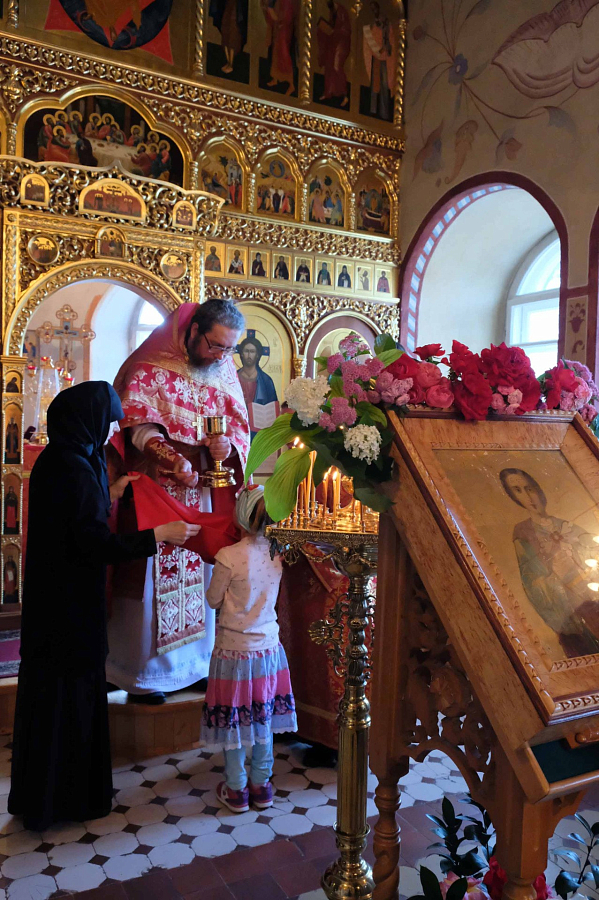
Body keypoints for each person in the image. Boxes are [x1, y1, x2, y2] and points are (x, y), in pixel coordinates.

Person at [8, 381, 198, 831]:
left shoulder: (68, 456)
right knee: (67, 696)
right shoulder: (72, 467)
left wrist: (112, 491)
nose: (110, 430)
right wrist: (157, 536)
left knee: (63, 693)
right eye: (107, 421)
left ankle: (52, 797)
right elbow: (91, 542)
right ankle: (62, 801)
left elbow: (74, 515)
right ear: (87, 419)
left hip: (61, 599)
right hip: (67, 607)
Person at [106, 300, 250, 704]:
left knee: (200, 573)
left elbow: (237, 430)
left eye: (229, 349)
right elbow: (134, 426)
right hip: (155, 490)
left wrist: (225, 447)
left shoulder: (223, 369)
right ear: (194, 330)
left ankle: (194, 667)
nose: (221, 357)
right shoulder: (149, 364)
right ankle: (143, 674)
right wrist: (170, 458)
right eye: (215, 346)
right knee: (151, 578)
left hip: (200, 489)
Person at [201, 485, 297, 813]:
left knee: (233, 722)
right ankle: (261, 785)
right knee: (263, 719)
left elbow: (213, 600)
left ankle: (236, 789)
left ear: (240, 516)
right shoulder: (277, 553)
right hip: (268, 652)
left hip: (233, 653)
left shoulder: (228, 556)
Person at [500, 468, 599, 658]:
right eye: (518, 491)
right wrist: (555, 574)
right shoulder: (523, 533)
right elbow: (532, 583)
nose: (528, 497)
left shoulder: (567, 525)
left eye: (529, 488)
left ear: (538, 489)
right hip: (573, 614)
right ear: (513, 497)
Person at [237, 336, 279, 438]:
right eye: (246, 351)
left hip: (259, 432)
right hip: (237, 428)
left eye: (252, 352)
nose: (249, 355)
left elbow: (272, 408)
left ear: (257, 355)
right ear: (241, 354)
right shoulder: (233, 378)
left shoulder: (266, 380)